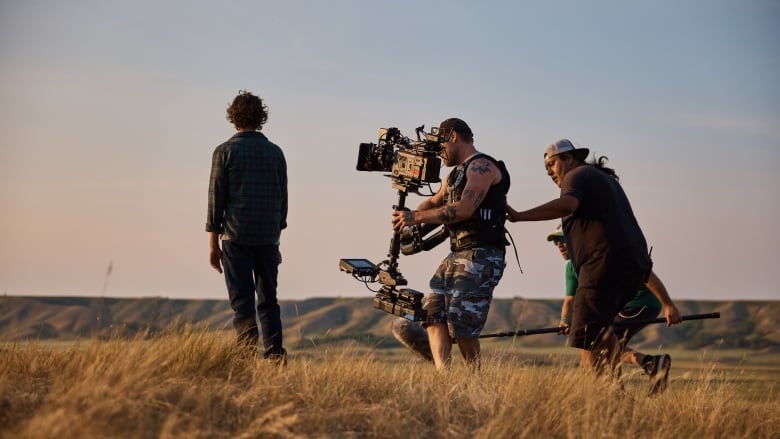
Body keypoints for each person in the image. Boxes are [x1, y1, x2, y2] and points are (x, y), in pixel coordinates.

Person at [506, 138, 681, 381]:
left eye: (551, 164)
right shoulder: (605, 181)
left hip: (601, 268)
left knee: (587, 346)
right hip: (630, 270)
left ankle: (602, 404)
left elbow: (567, 205)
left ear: (569, 158)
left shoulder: (576, 175)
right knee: (606, 341)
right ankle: (617, 401)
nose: (548, 172)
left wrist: (519, 215)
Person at [391, 118, 510, 370]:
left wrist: (415, 217)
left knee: (463, 324)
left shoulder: (482, 166)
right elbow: (434, 202)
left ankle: (473, 381)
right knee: (432, 313)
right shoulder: (455, 174)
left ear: (453, 136)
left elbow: (465, 209)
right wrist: (407, 214)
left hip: (482, 253)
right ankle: (445, 381)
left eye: (440, 144)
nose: (440, 152)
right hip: (457, 252)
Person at [206, 90, 288, 363]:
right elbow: (282, 201)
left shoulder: (224, 152)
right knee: (269, 301)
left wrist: (212, 245)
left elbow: (215, 202)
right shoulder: (276, 153)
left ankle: (245, 360)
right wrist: (276, 240)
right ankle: (276, 357)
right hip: (267, 238)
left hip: (236, 237)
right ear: (261, 116)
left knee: (243, 304)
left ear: (233, 117)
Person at [547, 226, 677, 395]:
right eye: (556, 242)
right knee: (605, 344)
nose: (560, 245)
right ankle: (650, 364)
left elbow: (646, 274)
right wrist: (565, 320)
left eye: (563, 240)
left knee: (603, 340)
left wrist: (668, 304)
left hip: (641, 302)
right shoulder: (572, 267)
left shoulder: (602, 254)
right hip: (618, 306)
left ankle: (618, 392)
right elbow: (569, 300)